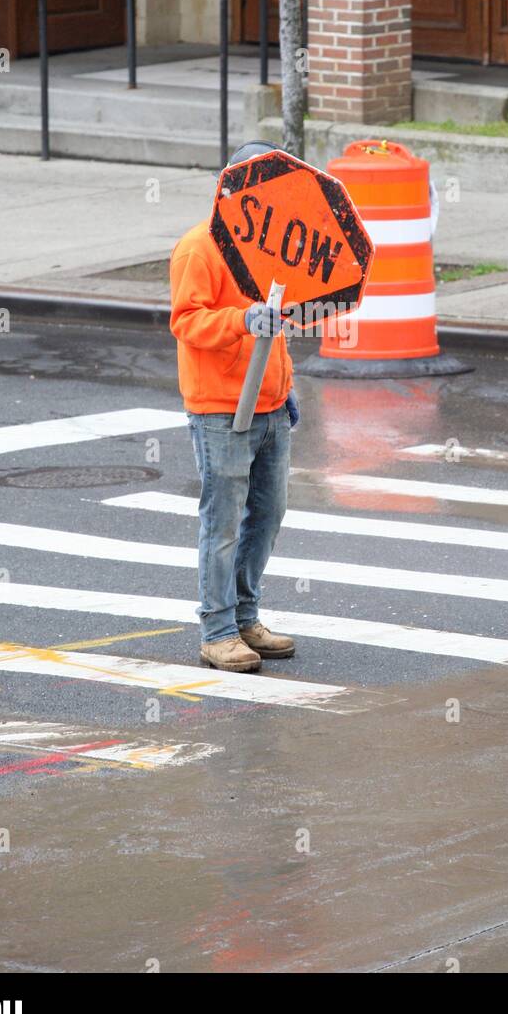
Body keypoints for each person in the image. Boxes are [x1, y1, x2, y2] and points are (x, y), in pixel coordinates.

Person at [170, 140, 300, 673]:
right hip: (222, 409)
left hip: (269, 406)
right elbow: (186, 321)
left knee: (266, 515)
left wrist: (284, 387)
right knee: (222, 522)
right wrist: (241, 321)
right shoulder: (199, 248)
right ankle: (218, 630)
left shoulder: (269, 245)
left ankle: (245, 618)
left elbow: (277, 324)